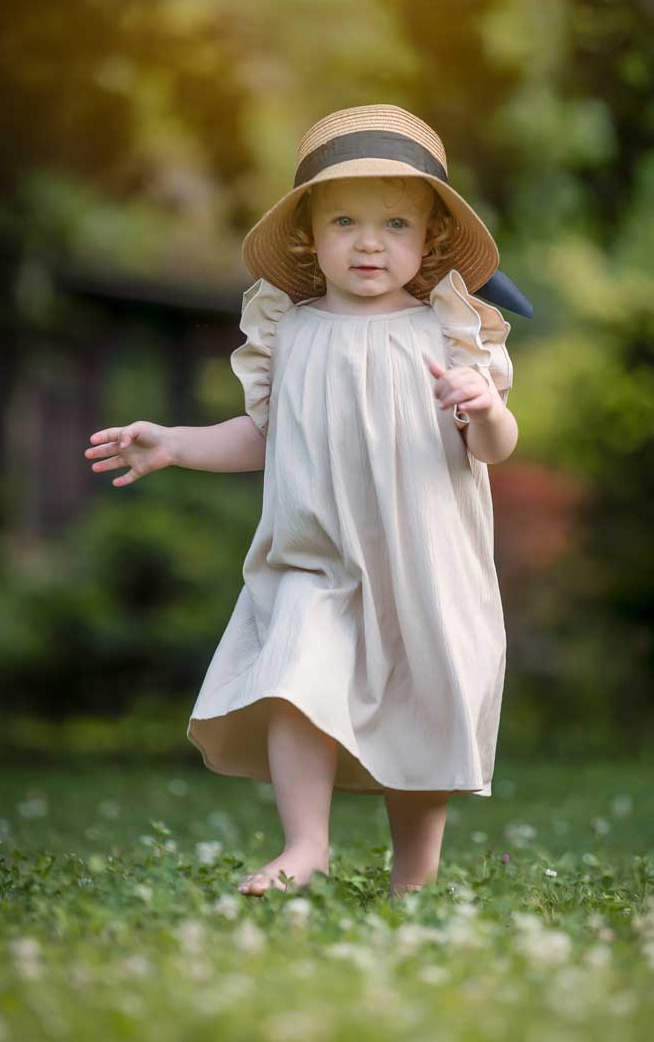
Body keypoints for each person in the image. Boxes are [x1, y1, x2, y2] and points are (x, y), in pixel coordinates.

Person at [83, 104, 531, 906]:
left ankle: (414, 876)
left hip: (424, 561)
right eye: (345, 221)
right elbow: (267, 436)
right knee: (293, 674)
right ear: (308, 236)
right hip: (315, 554)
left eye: (395, 223)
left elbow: (493, 450)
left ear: (429, 239)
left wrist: (485, 408)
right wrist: (178, 442)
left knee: (426, 696)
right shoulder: (289, 332)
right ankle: (306, 844)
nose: (369, 242)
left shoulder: (454, 334)